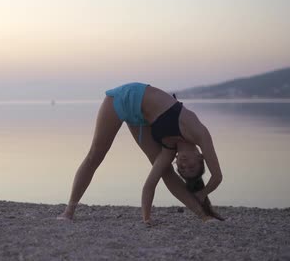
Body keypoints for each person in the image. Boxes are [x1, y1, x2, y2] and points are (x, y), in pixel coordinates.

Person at [57, 82, 224, 224]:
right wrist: (203, 193)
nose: (185, 165)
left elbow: (150, 184)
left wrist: (147, 219)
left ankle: (203, 216)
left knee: (165, 171)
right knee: (95, 155)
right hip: (121, 99)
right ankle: (69, 211)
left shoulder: (169, 148)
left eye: (183, 170)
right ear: (200, 157)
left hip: (139, 118)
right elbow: (217, 177)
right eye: (192, 166)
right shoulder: (199, 132)